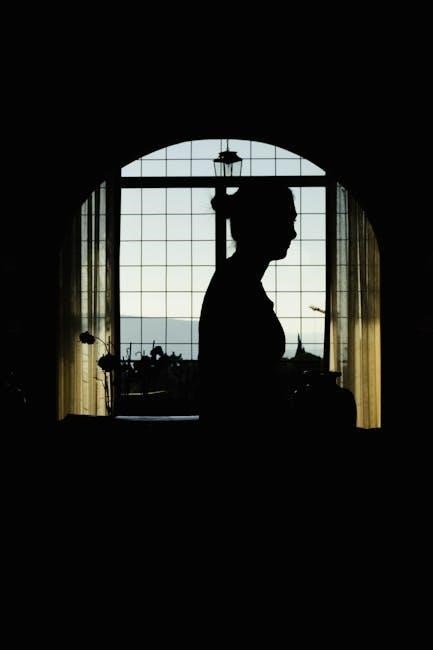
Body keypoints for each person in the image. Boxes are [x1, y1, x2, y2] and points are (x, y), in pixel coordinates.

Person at [198, 181, 297, 431]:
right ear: (263, 223)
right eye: (288, 221)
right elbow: (244, 379)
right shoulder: (237, 285)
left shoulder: (235, 279)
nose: (293, 233)